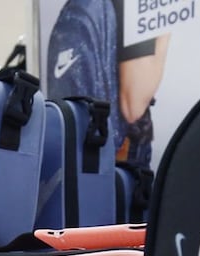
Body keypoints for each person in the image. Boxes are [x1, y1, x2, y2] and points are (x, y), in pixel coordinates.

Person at [45, 0, 168, 165]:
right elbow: (134, 106)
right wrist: (166, 26)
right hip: (116, 155)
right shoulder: (135, 6)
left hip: (77, 148)